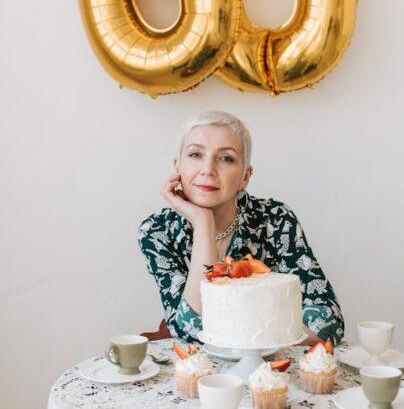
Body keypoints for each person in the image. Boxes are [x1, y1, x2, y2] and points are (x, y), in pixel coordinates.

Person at [138, 110, 344, 345]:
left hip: (270, 371)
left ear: (245, 176)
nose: (208, 169)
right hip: (200, 373)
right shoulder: (157, 231)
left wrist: (249, 346)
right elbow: (187, 327)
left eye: (226, 158)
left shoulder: (275, 219)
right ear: (177, 166)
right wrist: (204, 223)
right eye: (195, 154)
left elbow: (328, 319)